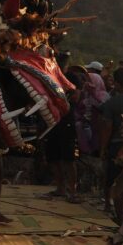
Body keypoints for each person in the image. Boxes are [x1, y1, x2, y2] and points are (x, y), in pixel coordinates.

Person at [98, 66, 123, 220]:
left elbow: (107, 127)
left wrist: (103, 148)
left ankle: (118, 214)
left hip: (117, 145)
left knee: (114, 180)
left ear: (116, 83)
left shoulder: (111, 103)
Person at [45, 71, 84, 202]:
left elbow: (76, 97)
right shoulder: (48, 75)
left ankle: (72, 191)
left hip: (66, 121)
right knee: (53, 157)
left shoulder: (72, 76)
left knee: (68, 158)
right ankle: (60, 188)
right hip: (52, 121)